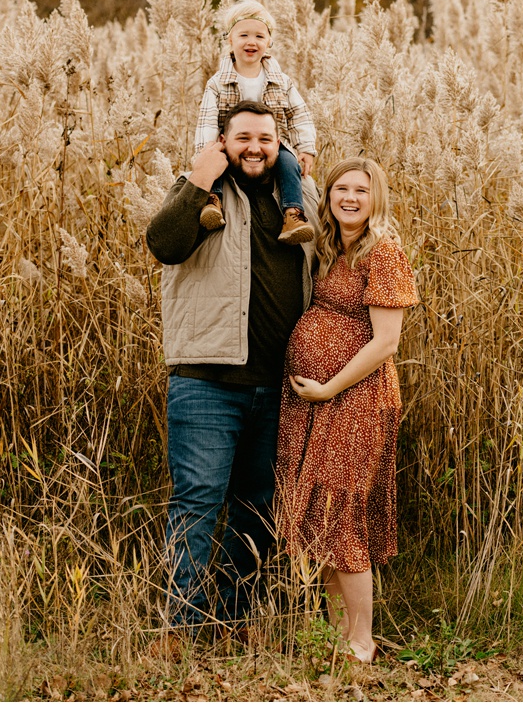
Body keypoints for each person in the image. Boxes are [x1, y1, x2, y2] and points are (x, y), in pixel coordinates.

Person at [146, 100, 320, 652]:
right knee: (198, 501)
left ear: (280, 145)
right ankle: (180, 627)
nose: (255, 148)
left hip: (279, 386)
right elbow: (163, 245)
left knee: (256, 506)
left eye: (266, 139)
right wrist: (198, 179)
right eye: (243, 137)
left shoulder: (299, 200)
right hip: (206, 381)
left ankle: (231, 620)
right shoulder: (201, 195)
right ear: (222, 142)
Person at [276, 157, 419, 663]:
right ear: (327, 196)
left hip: (355, 400)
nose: (350, 198)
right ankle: (341, 639)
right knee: (324, 516)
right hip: (317, 401)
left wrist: (329, 388)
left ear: (376, 197)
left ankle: (361, 642)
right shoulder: (334, 247)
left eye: (361, 190)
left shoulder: (382, 253)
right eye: (341, 189)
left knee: (343, 519)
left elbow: (386, 343)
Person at [194, 0, 316, 245]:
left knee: (288, 162)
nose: (252, 42)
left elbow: (299, 114)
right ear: (230, 40)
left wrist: (306, 149)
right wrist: (205, 152)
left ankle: (292, 213)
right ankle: (213, 201)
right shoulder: (218, 83)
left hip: (271, 145)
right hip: (231, 144)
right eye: (244, 35)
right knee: (216, 159)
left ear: (269, 42)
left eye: (260, 36)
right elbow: (207, 120)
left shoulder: (281, 81)